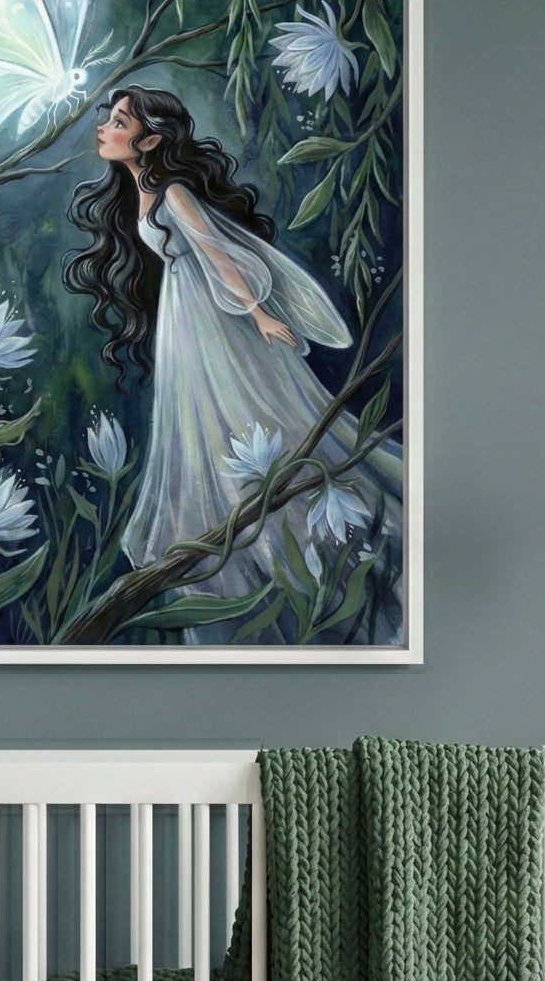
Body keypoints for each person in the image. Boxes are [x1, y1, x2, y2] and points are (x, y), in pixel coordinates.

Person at [65, 88, 403, 641]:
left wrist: (259, 314)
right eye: (109, 117)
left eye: (119, 121)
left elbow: (220, 257)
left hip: (214, 323)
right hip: (186, 321)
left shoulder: (172, 193)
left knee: (245, 413)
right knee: (201, 420)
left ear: (148, 141)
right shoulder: (143, 192)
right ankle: (230, 537)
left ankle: (316, 529)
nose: (104, 127)